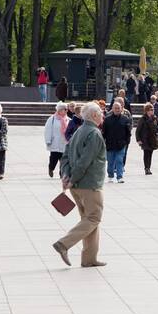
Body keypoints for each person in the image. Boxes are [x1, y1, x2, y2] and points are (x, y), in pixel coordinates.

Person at [52, 101, 108, 268]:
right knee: (93, 218)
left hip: (78, 185)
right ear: (94, 116)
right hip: (90, 184)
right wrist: (72, 178)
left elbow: (66, 156)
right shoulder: (94, 133)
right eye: (100, 113)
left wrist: (67, 176)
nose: (102, 116)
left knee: (89, 220)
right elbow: (84, 162)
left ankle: (89, 258)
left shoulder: (78, 131)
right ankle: (63, 244)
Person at [101, 101, 132, 183]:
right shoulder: (107, 120)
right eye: (115, 108)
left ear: (121, 109)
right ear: (112, 109)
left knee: (119, 160)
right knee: (110, 162)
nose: (117, 110)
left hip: (121, 144)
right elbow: (104, 132)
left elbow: (128, 132)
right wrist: (103, 142)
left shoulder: (125, 119)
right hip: (110, 144)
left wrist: (127, 142)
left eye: (118, 108)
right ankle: (110, 175)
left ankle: (120, 177)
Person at [44, 102, 70, 178]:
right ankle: (51, 168)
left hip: (65, 143)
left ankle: (62, 173)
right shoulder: (52, 119)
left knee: (63, 159)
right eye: (64, 109)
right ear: (59, 110)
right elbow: (48, 130)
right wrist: (48, 140)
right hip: (55, 142)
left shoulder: (68, 120)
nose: (66, 111)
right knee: (53, 159)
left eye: (66, 109)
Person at [135, 102, 158, 175]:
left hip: (152, 139)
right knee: (146, 154)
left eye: (152, 109)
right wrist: (138, 139)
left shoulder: (155, 118)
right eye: (150, 110)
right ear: (146, 111)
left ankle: (149, 167)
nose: (152, 111)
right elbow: (138, 130)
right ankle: (147, 168)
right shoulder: (143, 119)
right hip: (145, 139)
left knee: (150, 154)